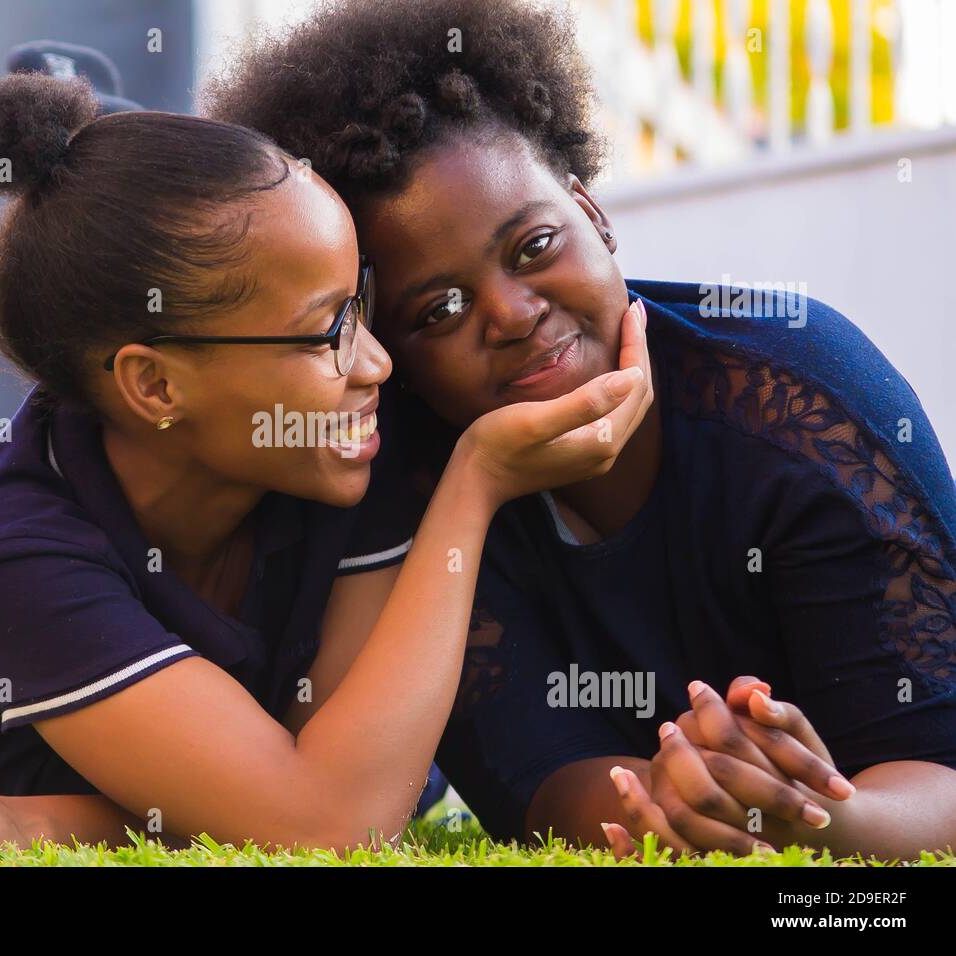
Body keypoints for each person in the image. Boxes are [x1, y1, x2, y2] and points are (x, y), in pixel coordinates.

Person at [0, 70, 653, 853]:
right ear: (156, 386)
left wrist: (29, 824)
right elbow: (326, 825)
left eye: (362, 305)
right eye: (327, 330)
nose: (375, 364)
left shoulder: (337, 446)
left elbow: (329, 787)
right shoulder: (14, 547)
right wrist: (475, 487)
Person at [202, 0, 956, 858]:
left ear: (592, 214)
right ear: (389, 350)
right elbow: (541, 780)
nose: (513, 314)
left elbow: (938, 767)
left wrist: (822, 818)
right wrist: (672, 799)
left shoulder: (798, 399)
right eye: (438, 309)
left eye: (533, 246)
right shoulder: (405, 482)